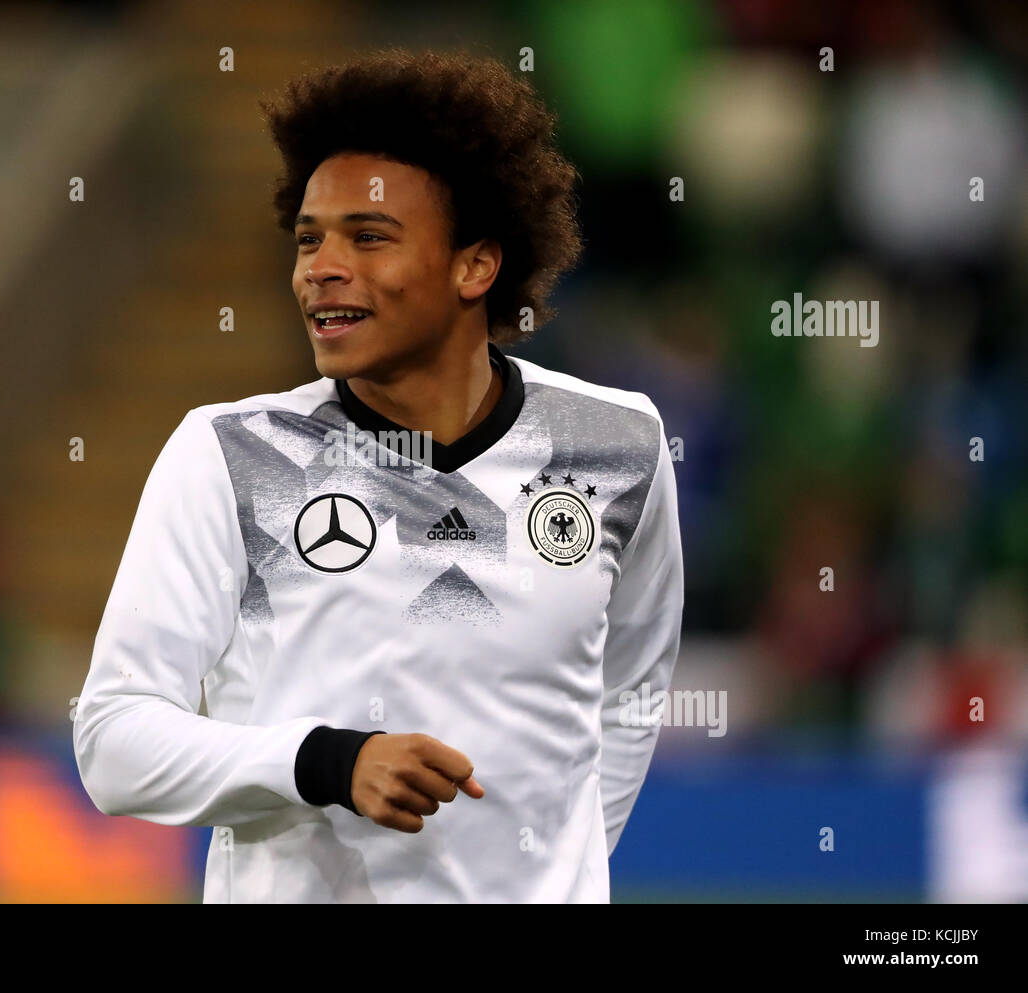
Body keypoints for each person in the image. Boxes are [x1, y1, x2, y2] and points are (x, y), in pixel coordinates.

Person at [73, 49, 684, 903]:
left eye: (368, 237)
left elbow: (629, 697)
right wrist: (329, 760)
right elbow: (113, 739)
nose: (320, 266)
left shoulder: (616, 445)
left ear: (476, 266)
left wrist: (556, 874)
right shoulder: (230, 454)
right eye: (309, 238)